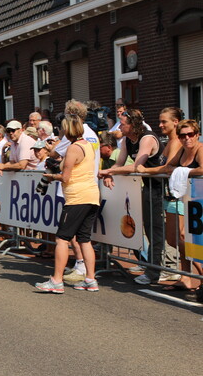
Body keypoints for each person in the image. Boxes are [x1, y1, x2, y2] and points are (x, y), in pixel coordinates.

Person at [136, 119, 203, 294]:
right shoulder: (181, 150)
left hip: (195, 200)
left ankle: (197, 274)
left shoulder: (200, 149)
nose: (187, 138)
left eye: (190, 134)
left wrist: (183, 171)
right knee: (173, 239)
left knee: (186, 238)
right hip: (177, 199)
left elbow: (202, 169)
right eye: (183, 135)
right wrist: (145, 170)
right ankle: (186, 276)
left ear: (197, 134)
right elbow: (168, 167)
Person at [35, 114, 100, 293]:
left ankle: (56, 280)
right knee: (84, 239)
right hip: (91, 195)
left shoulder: (73, 148)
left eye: (62, 128)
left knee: (62, 238)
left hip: (77, 197)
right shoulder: (87, 145)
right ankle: (90, 279)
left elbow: (65, 177)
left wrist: (51, 177)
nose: (60, 131)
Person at [99, 109, 165, 285]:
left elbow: (136, 166)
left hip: (160, 189)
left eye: (123, 123)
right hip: (146, 189)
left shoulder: (147, 138)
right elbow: (119, 164)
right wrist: (109, 174)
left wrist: (109, 171)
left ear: (134, 125)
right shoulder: (128, 140)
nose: (119, 127)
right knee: (150, 230)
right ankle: (155, 268)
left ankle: (156, 271)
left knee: (157, 232)